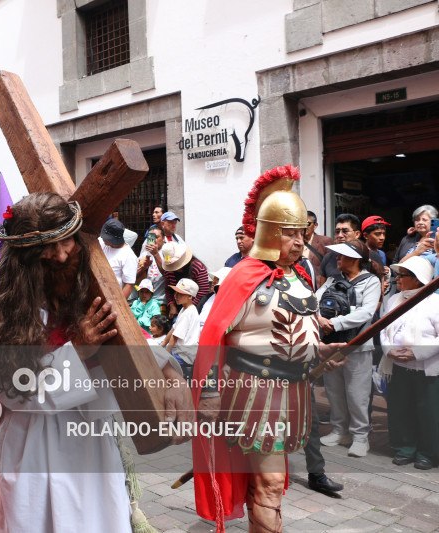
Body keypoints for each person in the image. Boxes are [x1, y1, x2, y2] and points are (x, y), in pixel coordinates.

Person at [0, 191, 192, 533]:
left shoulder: (88, 285)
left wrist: (170, 371)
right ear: (20, 259)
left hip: (92, 445)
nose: (61, 254)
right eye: (47, 249)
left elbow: (128, 339)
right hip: (32, 449)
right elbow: (7, 389)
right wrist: (79, 348)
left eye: (66, 241)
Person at [191, 165, 328, 533]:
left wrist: (319, 351)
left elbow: (304, 323)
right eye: (290, 234)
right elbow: (213, 337)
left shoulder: (299, 275)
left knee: (265, 483)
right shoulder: (244, 275)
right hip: (252, 393)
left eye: (302, 233)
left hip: (294, 393)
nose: (300, 242)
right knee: (268, 484)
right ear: (269, 233)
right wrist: (209, 392)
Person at [316, 240, 382, 458]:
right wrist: (319, 318)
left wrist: (334, 323)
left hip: (357, 347)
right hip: (331, 344)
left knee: (357, 394)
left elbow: (366, 313)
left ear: (355, 259)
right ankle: (338, 431)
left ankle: (361, 437)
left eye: (342, 256)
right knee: (334, 390)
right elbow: (314, 302)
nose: (337, 259)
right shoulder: (333, 280)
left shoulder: (371, 281)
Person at [378, 256, 439, 470]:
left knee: (428, 412)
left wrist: (417, 353)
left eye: (402, 275)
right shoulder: (394, 300)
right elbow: (384, 330)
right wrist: (389, 349)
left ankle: (428, 453)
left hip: (427, 369)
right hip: (397, 367)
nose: (397, 279)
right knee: (400, 409)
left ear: (418, 280)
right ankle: (404, 448)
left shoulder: (435, 303)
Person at [161, 278, 200, 380]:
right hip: (180, 352)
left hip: (184, 356)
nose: (176, 296)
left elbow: (175, 337)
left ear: (190, 296)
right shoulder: (184, 309)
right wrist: (163, 343)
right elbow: (174, 329)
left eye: (180, 294)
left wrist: (166, 353)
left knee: (158, 363)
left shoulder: (188, 313)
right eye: (176, 293)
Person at [159, 240, 210, 312]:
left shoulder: (197, 267)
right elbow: (168, 289)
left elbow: (203, 291)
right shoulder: (169, 271)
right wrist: (172, 305)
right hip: (178, 306)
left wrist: (189, 308)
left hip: (196, 306)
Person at [98, 218, 138, 299]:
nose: (102, 238)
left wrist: (118, 305)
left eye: (105, 238)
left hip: (112, 298)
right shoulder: (102, 243)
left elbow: (129, 285)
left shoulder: (128, 256)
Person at [318, 213, 361, 284]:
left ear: (357, 234)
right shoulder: (328, 258)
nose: (340, 235)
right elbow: (322, 290)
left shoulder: (369, 256)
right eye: (337, 231)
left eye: (345, 231)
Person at [303, 210, 333, 277]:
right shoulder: (295, 242)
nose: (305, 227)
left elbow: (331, 267)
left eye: (308, 224)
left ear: (315, 225)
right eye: (302, 224)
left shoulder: (325, 241)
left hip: (317, 284)